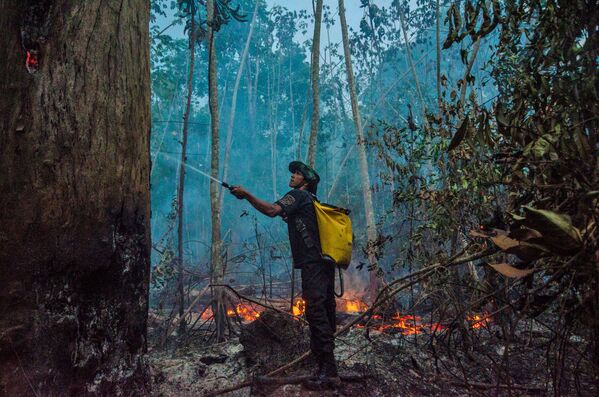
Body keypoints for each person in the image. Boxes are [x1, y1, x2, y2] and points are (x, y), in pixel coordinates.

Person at [230, 161, 340, 389]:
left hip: (313, 264)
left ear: (306, 182)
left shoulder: (299, 196)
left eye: (298, 174)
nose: (293, 176)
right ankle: (324, 367)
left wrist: (247, 195)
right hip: (324, 263)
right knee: (325, 311)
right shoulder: (312, 201)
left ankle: (328, 372)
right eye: (294, 172)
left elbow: (272, 210)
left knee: (316, 312)